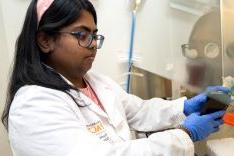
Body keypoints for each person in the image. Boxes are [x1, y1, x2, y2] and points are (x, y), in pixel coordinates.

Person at [1, 0, 230, 156]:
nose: (92, 45)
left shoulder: (95, 82)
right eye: (81, 35)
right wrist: (186, 134)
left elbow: (139, 111)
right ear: (45, 40)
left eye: (94, 35)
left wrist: (185, 107)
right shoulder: (33, 106)